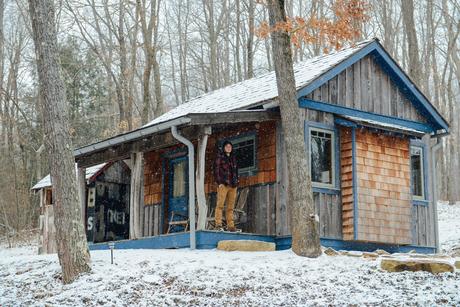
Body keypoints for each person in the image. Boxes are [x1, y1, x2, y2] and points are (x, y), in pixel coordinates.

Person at [214, 140, 239, 231]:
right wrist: (219, 182)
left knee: (230, 207)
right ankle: (218, 224)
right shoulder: (220, 157)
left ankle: (231, 226)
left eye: (230, 146)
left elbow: (236, 171)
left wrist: (236, 181)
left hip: (233, 185)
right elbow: (216, 170)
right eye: (227, 146)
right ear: (224, 148)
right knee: (220, 205)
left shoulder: (233, 158)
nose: (229, 148)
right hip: (223, 184)